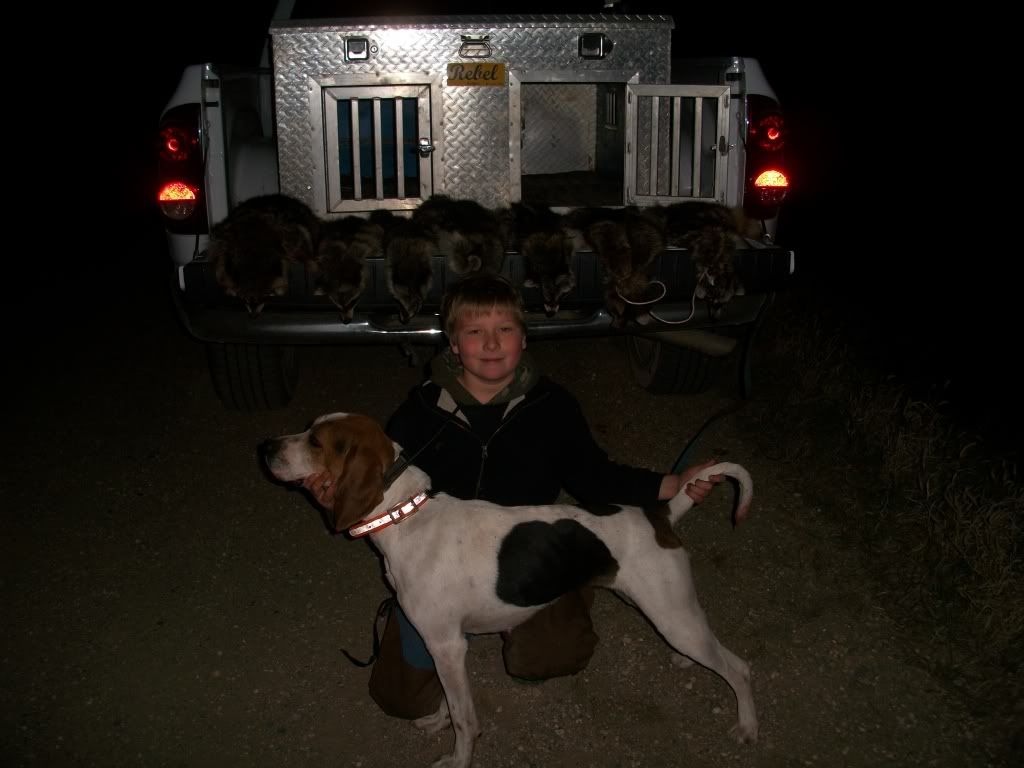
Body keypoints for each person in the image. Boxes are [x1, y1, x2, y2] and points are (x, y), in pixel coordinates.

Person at [302, 273, 723, 719]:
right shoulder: (419, 413)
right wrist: (336, 497)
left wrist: (671, 485)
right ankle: (438, 615)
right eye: (475, 331)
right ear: (453, 344)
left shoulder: (553, 407)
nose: (491, 343)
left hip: (529, 556)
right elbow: (378, 489)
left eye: (504, 329)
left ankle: (567, 588)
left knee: (548, 657)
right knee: (401, 700)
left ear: (523, 339)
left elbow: (595, 477)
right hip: (443, 568)